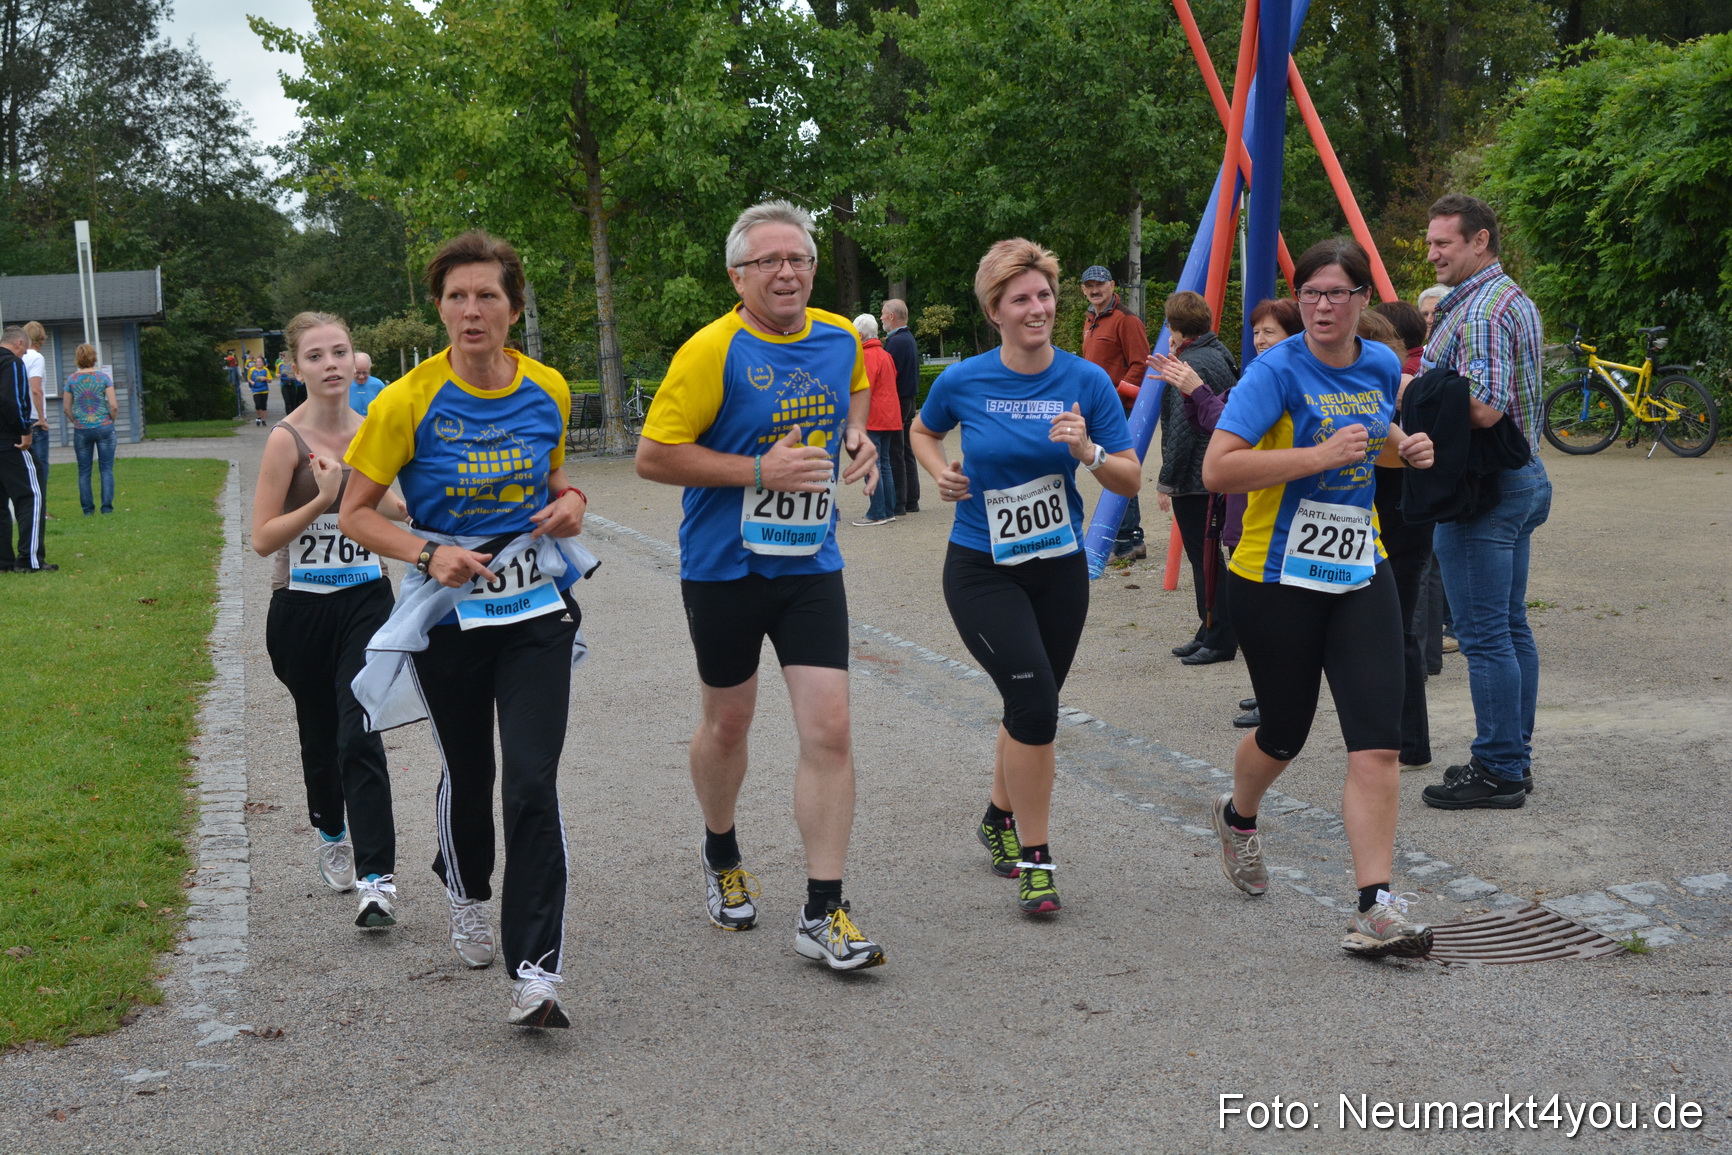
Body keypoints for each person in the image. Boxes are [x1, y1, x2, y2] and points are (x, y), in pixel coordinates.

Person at [341, 230, 594, 1028]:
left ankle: (537, 970)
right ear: (440, 308)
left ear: (514, 307)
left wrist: (573, 501)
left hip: (533, 612)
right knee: (469, 770)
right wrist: (427, 550)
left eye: (488, 295)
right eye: (457, 296)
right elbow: (354, 513)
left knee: (530, 776)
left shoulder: (547, 388)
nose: (471, 309)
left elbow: (555, 479)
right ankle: (468, 889)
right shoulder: (403, 401)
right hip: (448, 615)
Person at [635, 199, 885, 971]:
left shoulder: (841, 338)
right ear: (738, 275)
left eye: (800, 259)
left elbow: (850, 406)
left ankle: (823, 909)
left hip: (810, 562)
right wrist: (757, 469)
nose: (788, 272)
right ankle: (721, 852)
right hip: (724, 567)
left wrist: (856, 440)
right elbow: (653, 455)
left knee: (830, 730)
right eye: (769, 261)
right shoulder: (710, 351)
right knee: (729, 724)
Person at [1200, 237, 1438, 958]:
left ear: (1364, 301)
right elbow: (1218, 468)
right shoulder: (1274, 371)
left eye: (1338, 294)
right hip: (1273, 579)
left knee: (1378, 740)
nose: (1323, 306)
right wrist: (1316, 456)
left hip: (1359, 571)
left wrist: (1405, 446)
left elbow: (1373, 435)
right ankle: (1239, 814)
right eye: (1310, 294)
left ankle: (1375, 905)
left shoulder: (1376, 361)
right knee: (1285, 731)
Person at [911, 239, 1140, 916]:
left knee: (1030, 705)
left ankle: (995, 816)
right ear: (995, 310)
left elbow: (1126, 475)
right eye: (1022, 299)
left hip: (1059, 566)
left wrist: (1088, 450)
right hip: (982, 567)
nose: (1038, 307)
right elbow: (924, 432)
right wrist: (939, 471)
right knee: (1037, 702)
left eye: (1044, 295)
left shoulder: (1085, 380)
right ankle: (1037, 858)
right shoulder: (965, 380)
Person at [252, 313, 405, 932]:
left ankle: (377, 881)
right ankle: (331, 827)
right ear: (297, 368)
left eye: (340, 352)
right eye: (316, 356)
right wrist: (322, 498)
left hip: (366, 600)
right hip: (301, 610)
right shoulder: (286, 440)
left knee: (358, 732)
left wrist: (386, 495)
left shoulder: (376, 432)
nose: (332, 364)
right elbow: (263, 538)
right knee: (320, 739)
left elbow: (401, 512)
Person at [1417, 194, 1549, 810]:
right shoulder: (1510, 298)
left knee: (1485, 636)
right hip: (1521, 476)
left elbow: (1486, 406)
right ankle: (1512, 755)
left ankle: (1498, 769)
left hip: (1485, 491)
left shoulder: (1476, 315)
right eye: (1430, 240)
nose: (1433, 251)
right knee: (1510, 625)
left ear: (1481, 241)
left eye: (1445, 242)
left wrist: (1409, 394)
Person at [1140, 291, 1238, 665]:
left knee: (1206, 559)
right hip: (1212, 469)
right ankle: (1209, 627)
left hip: (1197, 479)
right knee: (1209, 558)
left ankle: (1220, 635)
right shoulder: (1219, 353)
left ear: (1175, 327)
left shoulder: (1187, 364)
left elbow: (1182, 430)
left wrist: (1167, 481)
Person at [1225, 297, 1302, 729]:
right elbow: (1226, 446)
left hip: (1302, 528)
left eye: (1269, 332)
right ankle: (1272, 698)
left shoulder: (1308, 378)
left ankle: (1277, 700)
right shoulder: (1257, 378)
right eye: (1256, 332)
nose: (1258, 339)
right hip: (1259, 520)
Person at [1079, 265, 1152, 562]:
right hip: (1097, 407)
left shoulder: (1126, 320)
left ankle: (1124, 541)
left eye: (1100, 285)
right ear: (1083, 289)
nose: (1095, 290)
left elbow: (1141, 364)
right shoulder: (1090, 319)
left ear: (1111, 285)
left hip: (1118, 409)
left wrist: (1115, 394)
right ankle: (1130, 538)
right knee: (1112, 469)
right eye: (1089, 286)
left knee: (1116, 469)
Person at [0, 326, 48, 572]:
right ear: (19, 343)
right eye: (24, 349)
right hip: (10, 441)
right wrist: (26, 431)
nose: (24, 354)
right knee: (31, 495)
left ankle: (3, 562)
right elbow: (13, 399)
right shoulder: (12, 364)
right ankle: (30, 561)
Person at [852, 313, 900, 526]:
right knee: (885, 464)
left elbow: (864, 388)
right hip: (889, 416)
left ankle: (877, 512)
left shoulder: (867, 356)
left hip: (873, 417)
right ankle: (888, 509)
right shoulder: (884, 354)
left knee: (873, 464)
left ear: (860, 334)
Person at [61, 345, 118, 516]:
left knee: (84, 471)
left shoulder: (71, 380)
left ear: (77, 359)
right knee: (106, 469)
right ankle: (107, 509)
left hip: (82, 429)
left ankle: (88, 510)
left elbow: (66, 408)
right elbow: (113, 405)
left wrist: (75, 421)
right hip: (104, 426)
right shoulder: (103, 378)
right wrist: (110, 420)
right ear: (94, 357)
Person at [879, 298, 921, 515]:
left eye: (883, 314)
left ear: (892, 317)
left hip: (899, 401)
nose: (881, 318)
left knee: (896, 451)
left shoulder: (896, 342)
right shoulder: (907, 339)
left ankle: (900, 502)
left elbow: (888, 377)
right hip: (908, 400)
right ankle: (912, 499)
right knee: (905, 450)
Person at [349, 352, 388, 416]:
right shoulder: (345, 385)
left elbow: (385, 408)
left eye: (365, 373)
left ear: (369, 370)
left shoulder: (378, 385)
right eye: (358, 373)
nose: (361, 376)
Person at [249, 356, 271, 425]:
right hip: (256, 390)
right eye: (258, 362)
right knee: (258, 405)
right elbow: (249, 378)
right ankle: (258, 417)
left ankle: (264, 420)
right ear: (256, 363)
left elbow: (270, 380)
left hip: (264, 390)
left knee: (264, 405)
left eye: (260, 362)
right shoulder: (252, 370)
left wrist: (265, 379)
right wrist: (251, 382)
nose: (259, 363)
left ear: (263, 363)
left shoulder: (265, 370)